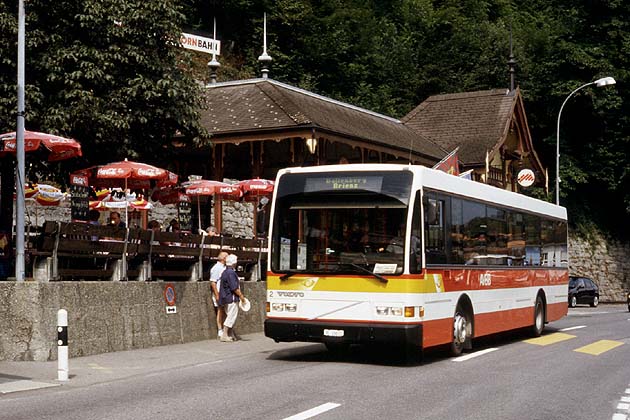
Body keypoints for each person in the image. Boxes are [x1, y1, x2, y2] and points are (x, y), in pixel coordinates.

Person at [218, 254, 246, 342]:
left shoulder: (225, 272)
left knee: (229, 315)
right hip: (231, 298)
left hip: (225, 297)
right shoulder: (231, 273)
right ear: (234, 263)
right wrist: (241, 296)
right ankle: (225, 334)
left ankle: (230, 334)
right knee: (231, 316)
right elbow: (234, 287)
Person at [210, 251, 228, 339]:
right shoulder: (217, 268)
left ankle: (225, 329)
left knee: (224, 311)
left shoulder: (224, 267)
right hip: (219, 293)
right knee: (220, 311)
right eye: (227, 257)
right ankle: (220, 330)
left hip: (225, 293)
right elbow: (213, 282)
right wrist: (217, 295)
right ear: (223, 258)